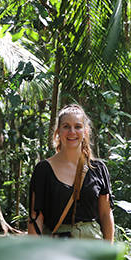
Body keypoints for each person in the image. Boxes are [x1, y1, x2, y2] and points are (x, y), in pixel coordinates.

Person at [28, 103, 115, 241]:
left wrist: (108, 251)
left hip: (92, 245)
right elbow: (35, 217)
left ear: (85, 131)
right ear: (58, 131)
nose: (72, 132)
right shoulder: (43, 170)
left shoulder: (98, 169)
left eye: (78, 126)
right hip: (56, 247)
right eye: (66, 126)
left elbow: (106, 215)